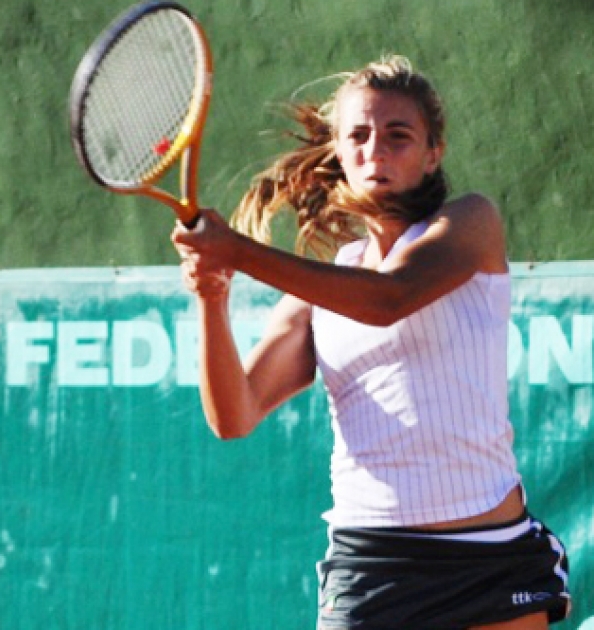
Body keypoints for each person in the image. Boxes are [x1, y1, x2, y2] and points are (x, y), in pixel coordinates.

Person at [171, 55, 571, 630]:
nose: (375, 149)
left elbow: (390, 298)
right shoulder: (323, 287)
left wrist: (235, 251)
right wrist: (212, 295)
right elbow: (234, 414)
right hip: (372, 565)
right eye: (357, 135)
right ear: (338, 153)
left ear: (434, 152)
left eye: (398, 135)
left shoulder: (470, 223)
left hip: (491, 557)